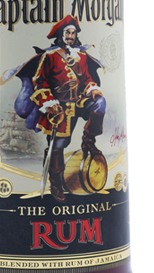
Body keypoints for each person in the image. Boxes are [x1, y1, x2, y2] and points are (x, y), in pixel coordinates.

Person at [12, 15, 105, 202]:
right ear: (61, 35)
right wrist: (50, 103)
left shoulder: (82, 57)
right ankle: (56, 183)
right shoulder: (50, 56)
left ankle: (88, 141)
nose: (70, 36)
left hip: (79, 101)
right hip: (60, 107)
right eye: (67, 33)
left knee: (100, 103)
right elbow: (40, 83)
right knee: (58, 146)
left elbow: (87, 79)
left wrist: (92, 89)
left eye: (73, 33)